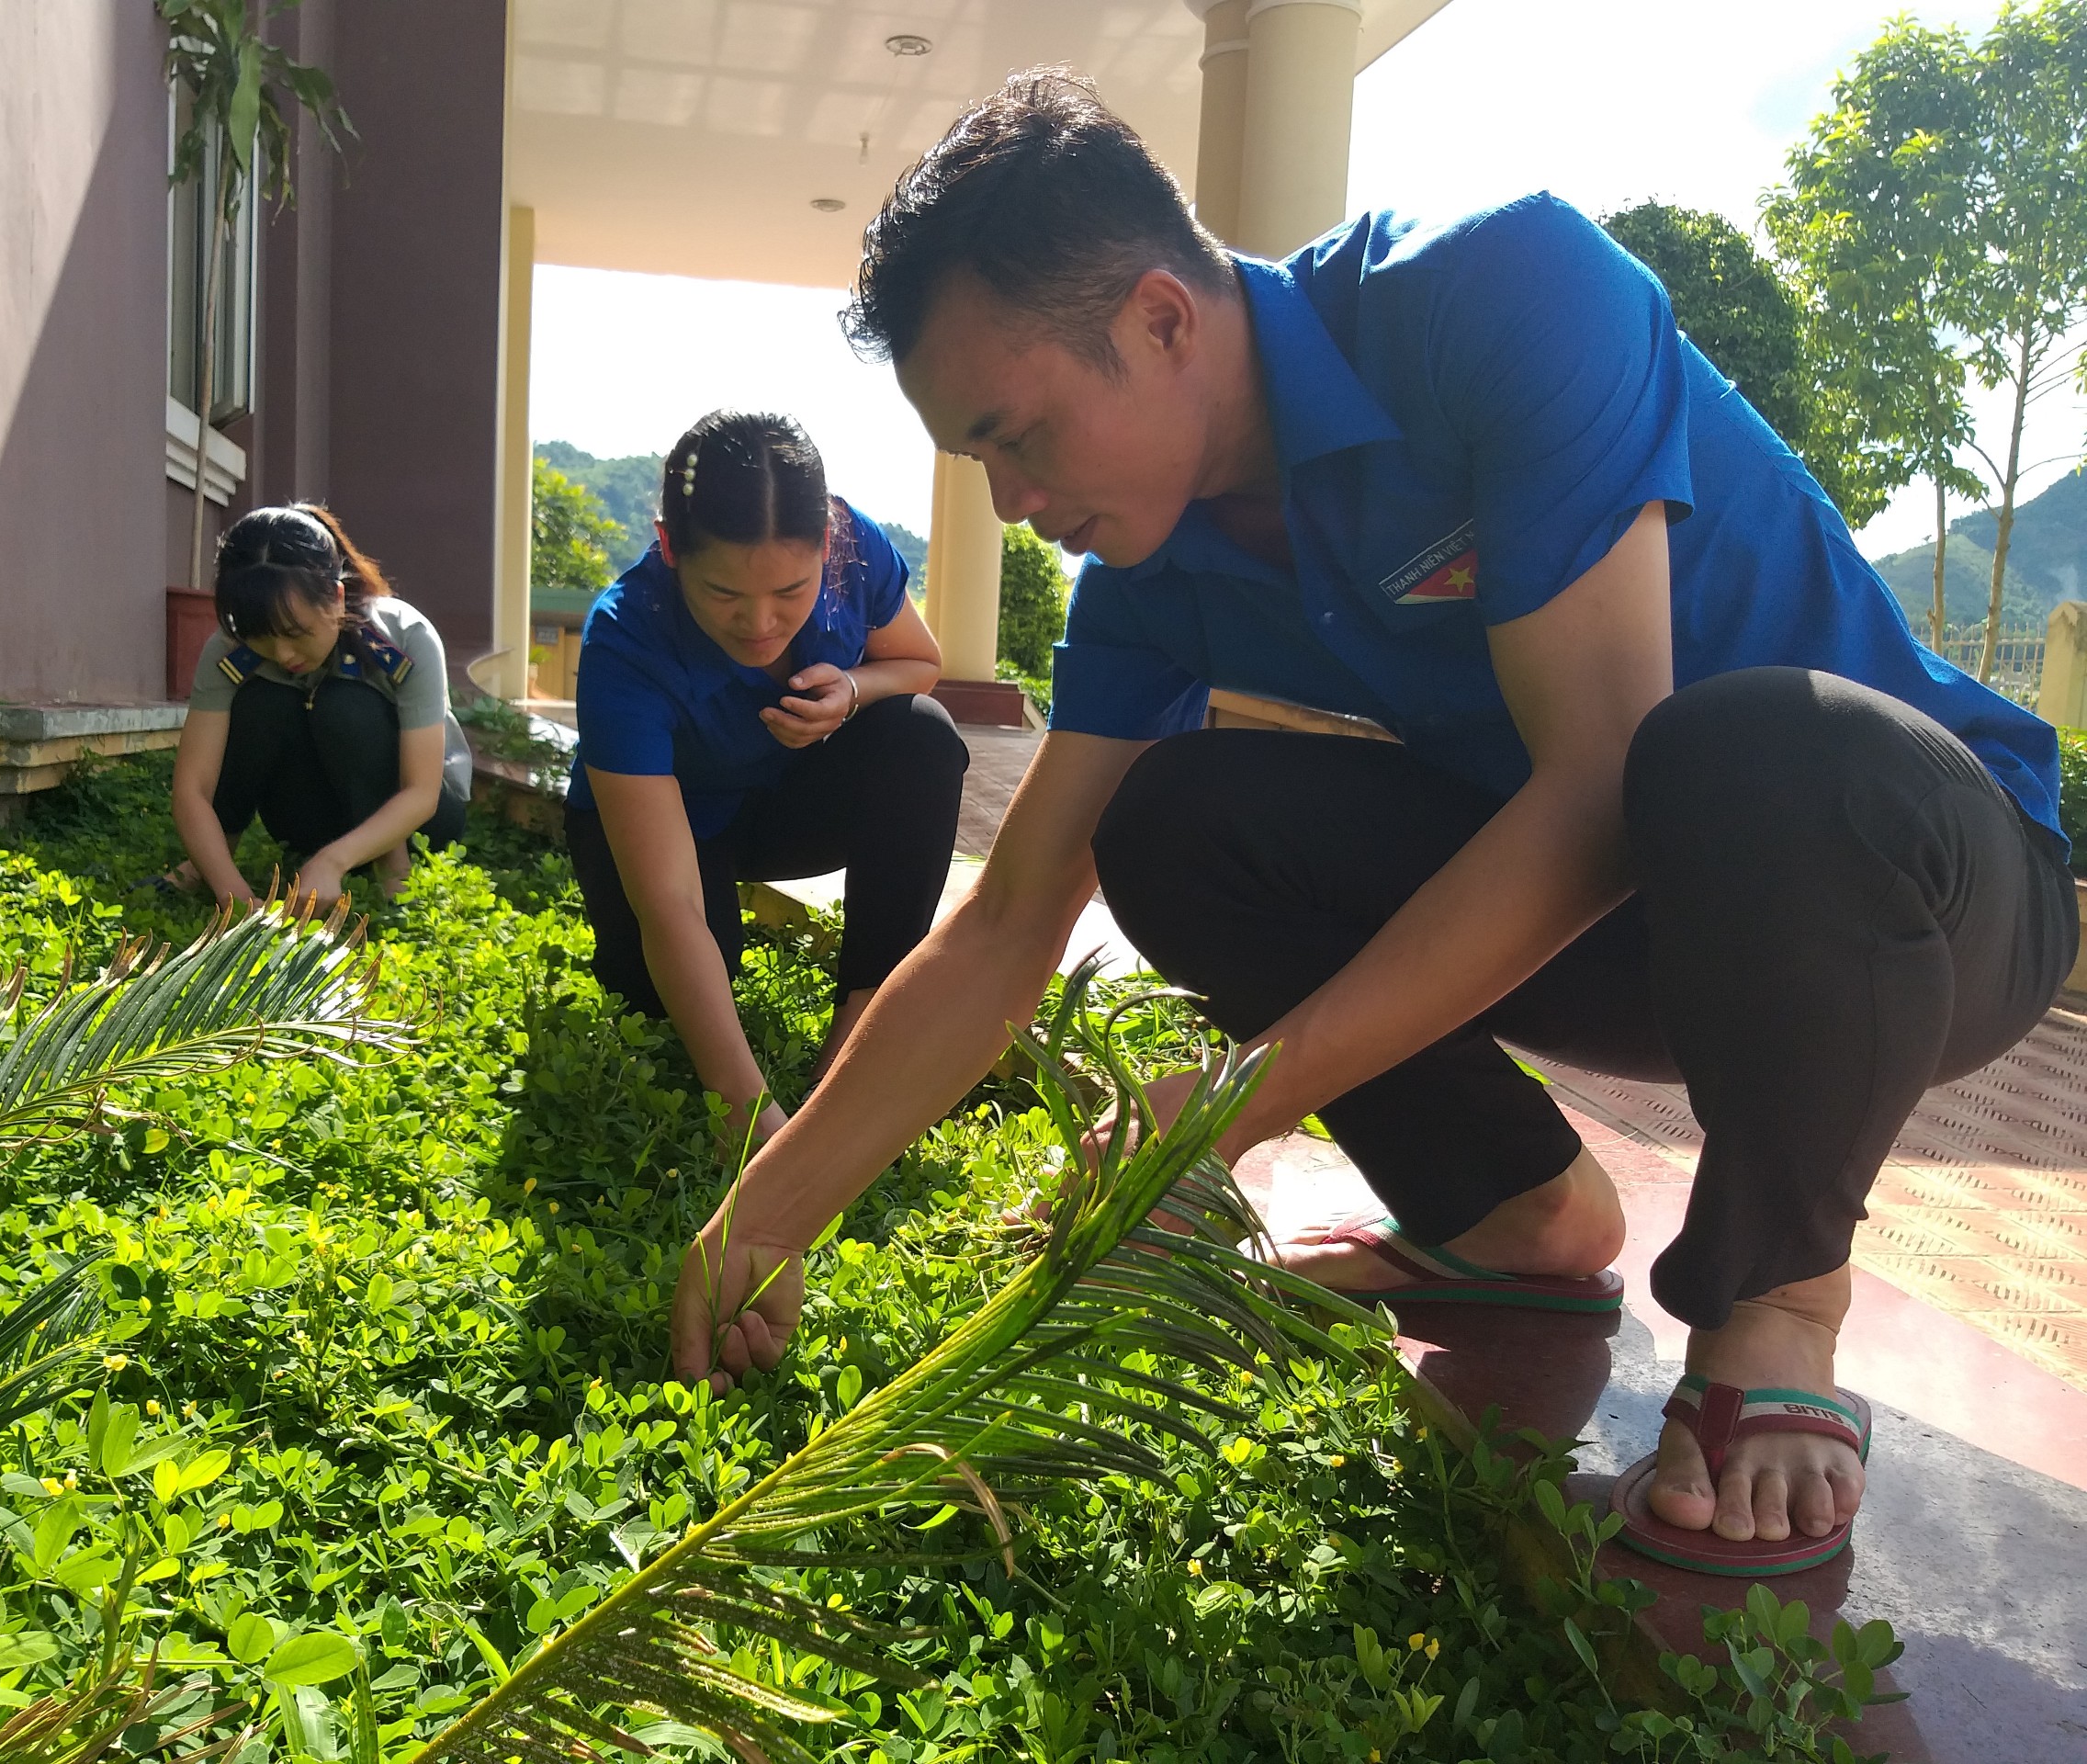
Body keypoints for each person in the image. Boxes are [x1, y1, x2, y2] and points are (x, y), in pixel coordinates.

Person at [666, 74, 2074, 1577]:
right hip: (1650, 928)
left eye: (1020, 438)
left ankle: (1780, 1297)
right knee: (1175, 823)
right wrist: (771, 1208)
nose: (1010, 503)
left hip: (1910, 896)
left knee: (1738, 742)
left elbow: (1600, 778)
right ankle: (1517, 1213)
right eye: (979, 464)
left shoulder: (1498, 293)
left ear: (1161, 320)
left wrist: (1225, 1107)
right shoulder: (1152, 579)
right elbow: (1010, 918)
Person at [566, 412, 968, 1145]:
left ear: (827, 543)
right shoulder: (625, 639)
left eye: (790, 590)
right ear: (669, 546)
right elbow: (671, 903)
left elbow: (920, 663)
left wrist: (853, 690)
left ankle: (858, 1035)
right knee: (660, 1003)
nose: (760, 623)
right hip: (665, 828)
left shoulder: (858, 549)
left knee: (921, 739)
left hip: (778, 799)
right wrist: (747, 1116)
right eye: (724, 593)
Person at [173, 503, 470, 906]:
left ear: (336, 597)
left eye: (296, 633)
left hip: (422, 822)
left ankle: (394, 872)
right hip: (314, 818)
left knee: (345, 706)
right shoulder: (228, 651)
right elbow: (192, 789)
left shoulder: (405, 636)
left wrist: (333, 862)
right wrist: (235, 898)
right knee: (262, 702)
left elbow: (422, 792)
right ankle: (208, 862)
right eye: (261, 637)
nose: (282, 653)